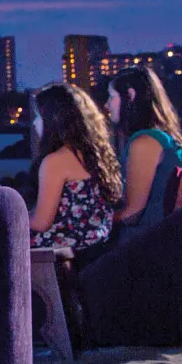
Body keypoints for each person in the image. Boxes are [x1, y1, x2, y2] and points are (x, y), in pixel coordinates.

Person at [29, 82, 122, 253]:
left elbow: (41, 223)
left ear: (54, 120)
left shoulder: (55, 162)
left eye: (39, 117)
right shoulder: (97, 156)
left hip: (64, 257)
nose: (35, 123)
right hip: (97, 249)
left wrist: (12, 216)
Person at [105, 65, 182, 244]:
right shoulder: (162, 138)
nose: (106, 104)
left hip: (146, 247)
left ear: (130, 95)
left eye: (112, 96)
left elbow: (132, 214)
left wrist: (95, 223)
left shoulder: (144, 143)